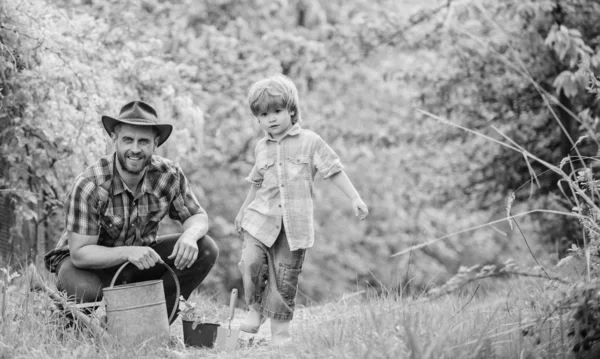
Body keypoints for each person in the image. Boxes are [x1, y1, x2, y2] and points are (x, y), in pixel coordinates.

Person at [43, 100, 218, 321]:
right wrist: (128, 251)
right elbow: (80, 254)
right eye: (128, 140)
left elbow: (197, 216)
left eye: (143, 141)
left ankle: (147, 324)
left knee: (206, 248)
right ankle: (69, 322)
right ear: (114, 139)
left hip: (139, 262)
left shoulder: (168, 174)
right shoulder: (90, 184)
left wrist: (190, 236)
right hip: (87, 265)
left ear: (155, 143)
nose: (135, 149)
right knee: (85, 288)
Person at [234, 74, 369, 345]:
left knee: (284, 278)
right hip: (259, 219)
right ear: (257, 119)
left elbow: (333, 169)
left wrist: (354, 197)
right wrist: (242, 210)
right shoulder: (262, 147)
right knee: (250, 262)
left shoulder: (310, 141)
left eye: (277, 111)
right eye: (263, 114)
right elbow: (256, 182)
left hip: (293, 227)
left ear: (292, 110)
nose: (271, 118)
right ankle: (254, 309)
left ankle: (280, 334)